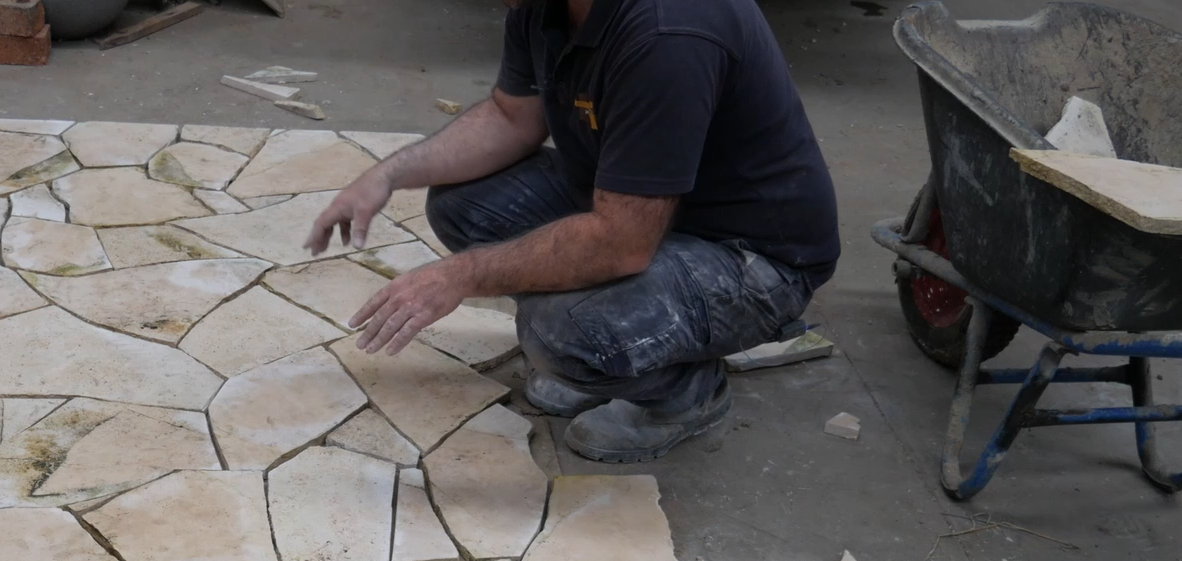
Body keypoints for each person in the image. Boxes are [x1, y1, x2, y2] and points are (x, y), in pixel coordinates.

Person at [307, 0, 841, 462]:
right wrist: (388, 173)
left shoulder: (669, 33)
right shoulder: (545, 6)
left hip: (751, 258)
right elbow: (511, 118)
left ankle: (686, 391)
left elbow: (621, 243)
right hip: (651, 213)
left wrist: (459, 275)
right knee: (463, 205)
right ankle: (617, 350)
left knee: (559, 333)